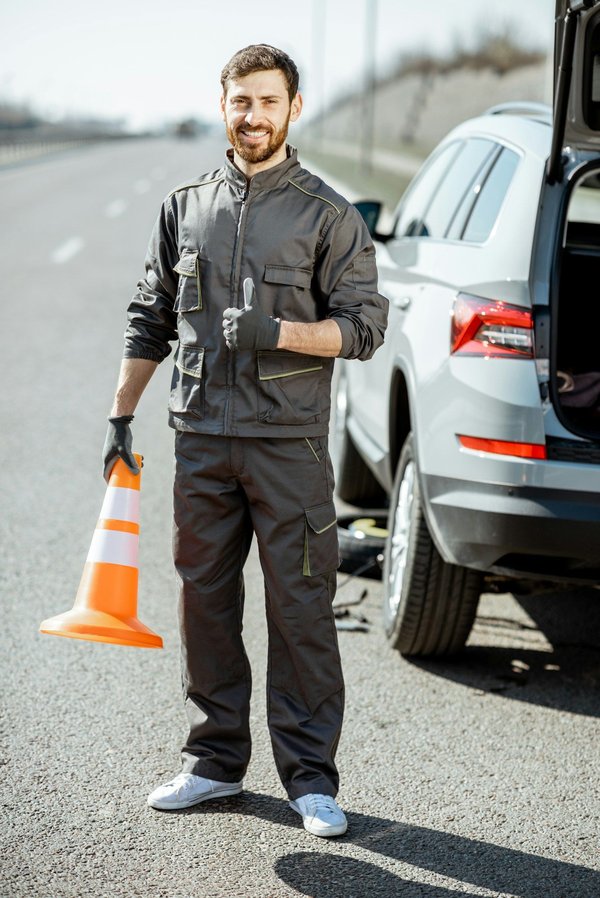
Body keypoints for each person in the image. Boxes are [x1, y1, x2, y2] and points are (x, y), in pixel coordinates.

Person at [102, 44, 388, 838]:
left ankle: (310, 780)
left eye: (268, 101)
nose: (252, 115)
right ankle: (215, 762)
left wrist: (283, 334)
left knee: (300, 610)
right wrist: (122, 415)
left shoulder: (329, 215)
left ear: (294, 108)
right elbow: (148, 315)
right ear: (223, 105)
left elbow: (365, 329)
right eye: (241, 101)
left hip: (286, 445)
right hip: (199, 439)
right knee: (205, 605)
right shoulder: (185, 205)